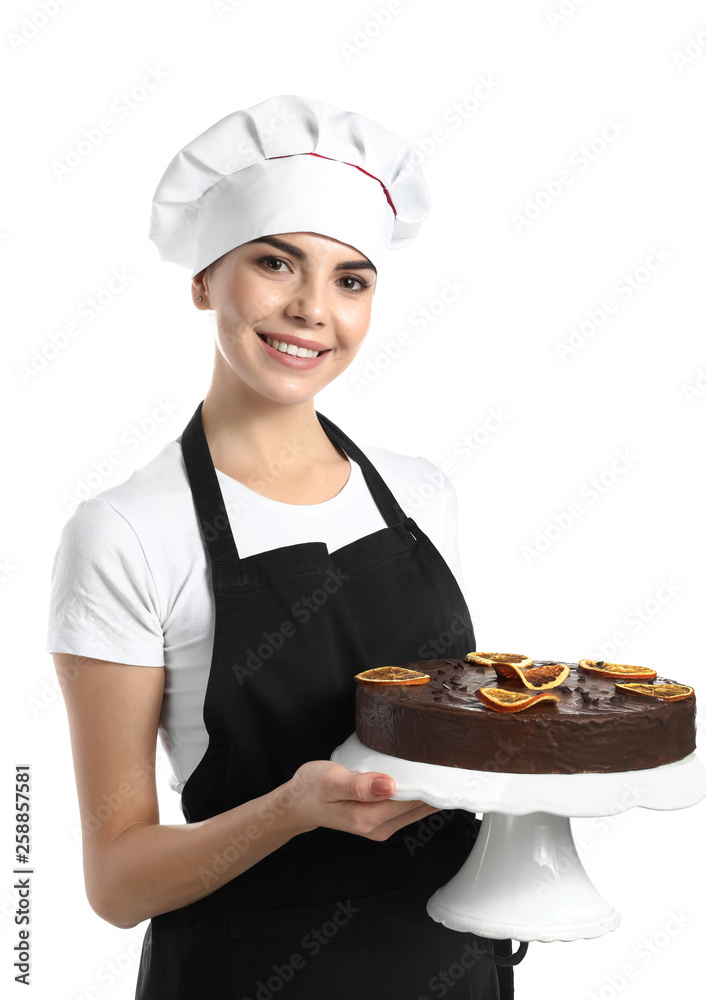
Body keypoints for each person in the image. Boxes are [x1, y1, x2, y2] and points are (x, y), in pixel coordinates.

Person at [48, 95, 504, 999]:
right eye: (274, 262)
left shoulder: (419, 494)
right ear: (204, 279)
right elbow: (116, 884)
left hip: (451, 968)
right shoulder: (129, 532)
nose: (309, 310)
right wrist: (292, 812)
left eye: (351, 279)